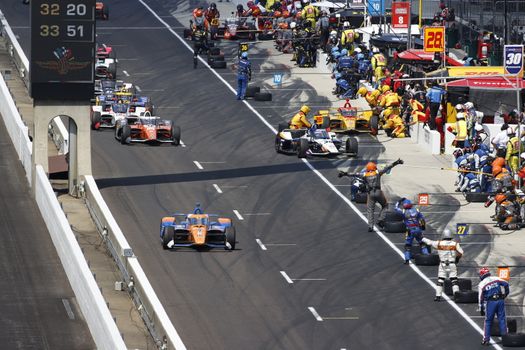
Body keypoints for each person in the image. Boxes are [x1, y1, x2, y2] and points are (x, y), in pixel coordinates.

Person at [339, 159, 404, 231]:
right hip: (378, 192)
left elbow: (354, 174)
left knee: (370, 210)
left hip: (370, 194)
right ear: (374, 167)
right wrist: (396, 162)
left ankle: (370, 226)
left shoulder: (364, 174)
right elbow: (387, 168)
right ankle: (380, 220)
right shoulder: (377, 172)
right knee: (385, 205)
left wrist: (344, 174)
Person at [422, 228, 464, 301]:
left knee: (440, 280)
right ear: (451, 235)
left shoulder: (439, 243)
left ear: (443, 235)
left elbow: (429, 242)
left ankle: (438, 296)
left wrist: (422, 238)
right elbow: (461, 253)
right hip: (452, 264)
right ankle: (456, 296)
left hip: (442, 264)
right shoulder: (455, 244)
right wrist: (457, 258)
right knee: (454, 280)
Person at [478, 267, 510, 346]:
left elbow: (480, 298)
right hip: (500, 300)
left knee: (488, 321)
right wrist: (505, 294)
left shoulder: (481, 284)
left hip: (491, 302)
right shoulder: (496, 278)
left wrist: (481, 308)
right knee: (502, 319)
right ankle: (505, 339)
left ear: (482, 275)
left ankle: (486, 340)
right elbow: (506, 284)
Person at [395, 199, 429, 264]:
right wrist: (423, 226)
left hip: (409, 230)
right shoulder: (416, 210)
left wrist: (398, 201)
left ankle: (407, 259)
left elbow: (396, 208)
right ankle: (426, 255)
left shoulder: (403, 211)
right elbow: (422, 219)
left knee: (408, 245)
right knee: (422, 242)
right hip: (418, 229)